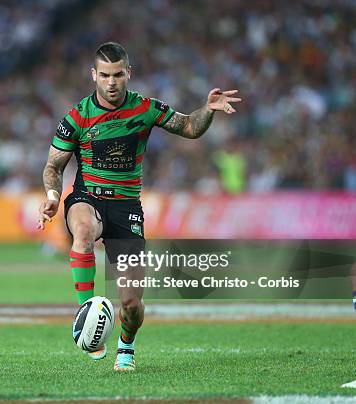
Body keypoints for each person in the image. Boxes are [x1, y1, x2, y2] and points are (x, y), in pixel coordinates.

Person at [37, 42, 241, 372]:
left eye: (118, 74)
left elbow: (189, 126)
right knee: (83, 230)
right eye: (104, 75)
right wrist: (50, 197)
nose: (112, 82)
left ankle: (126, 347)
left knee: (131, 303)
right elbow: (53, 166)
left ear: (128, 73)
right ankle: (87, 313)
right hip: (87, 197)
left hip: (126, 209)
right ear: (94, 76)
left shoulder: (146, 108)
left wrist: (209, 109)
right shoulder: (76, 117)